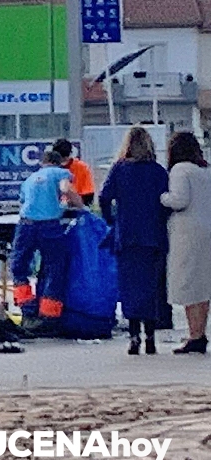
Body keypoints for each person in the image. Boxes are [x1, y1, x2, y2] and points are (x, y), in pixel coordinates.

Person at [99, 127, 170, 355]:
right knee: (151, 288)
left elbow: (104, 197)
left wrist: (113, 220)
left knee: (129, 288)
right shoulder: (158, 171)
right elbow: (166, 203)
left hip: (127, 236)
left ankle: (133, 337)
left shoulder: (120, 169)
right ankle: (150, 336)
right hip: (153, 236)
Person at [11, 150, 84, 319]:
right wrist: (79, 206)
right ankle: (48, 315)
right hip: (49, 225)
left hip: (25, 224)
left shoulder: (30, 179)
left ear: (42, 163)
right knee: (54, 267)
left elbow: (23, 201)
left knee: (19, 266)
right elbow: (66, 190)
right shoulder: (61, 172)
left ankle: (27, 308)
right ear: (60, 163)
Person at [161, 131, 211, 355]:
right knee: (203, 284)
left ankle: (195, 334)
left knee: (188, 282)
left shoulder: (180, 170)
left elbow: (179, 200)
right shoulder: (205, 170)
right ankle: (201, 332)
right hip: (207, 229)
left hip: (187, 233)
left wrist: (162, 197)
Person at [53, 138, 96, 206]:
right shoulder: (50, 170)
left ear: (70, 154)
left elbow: (88, 196)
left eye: (65, 157)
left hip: (77, 207)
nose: (62, 161)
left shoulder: (82, 167)